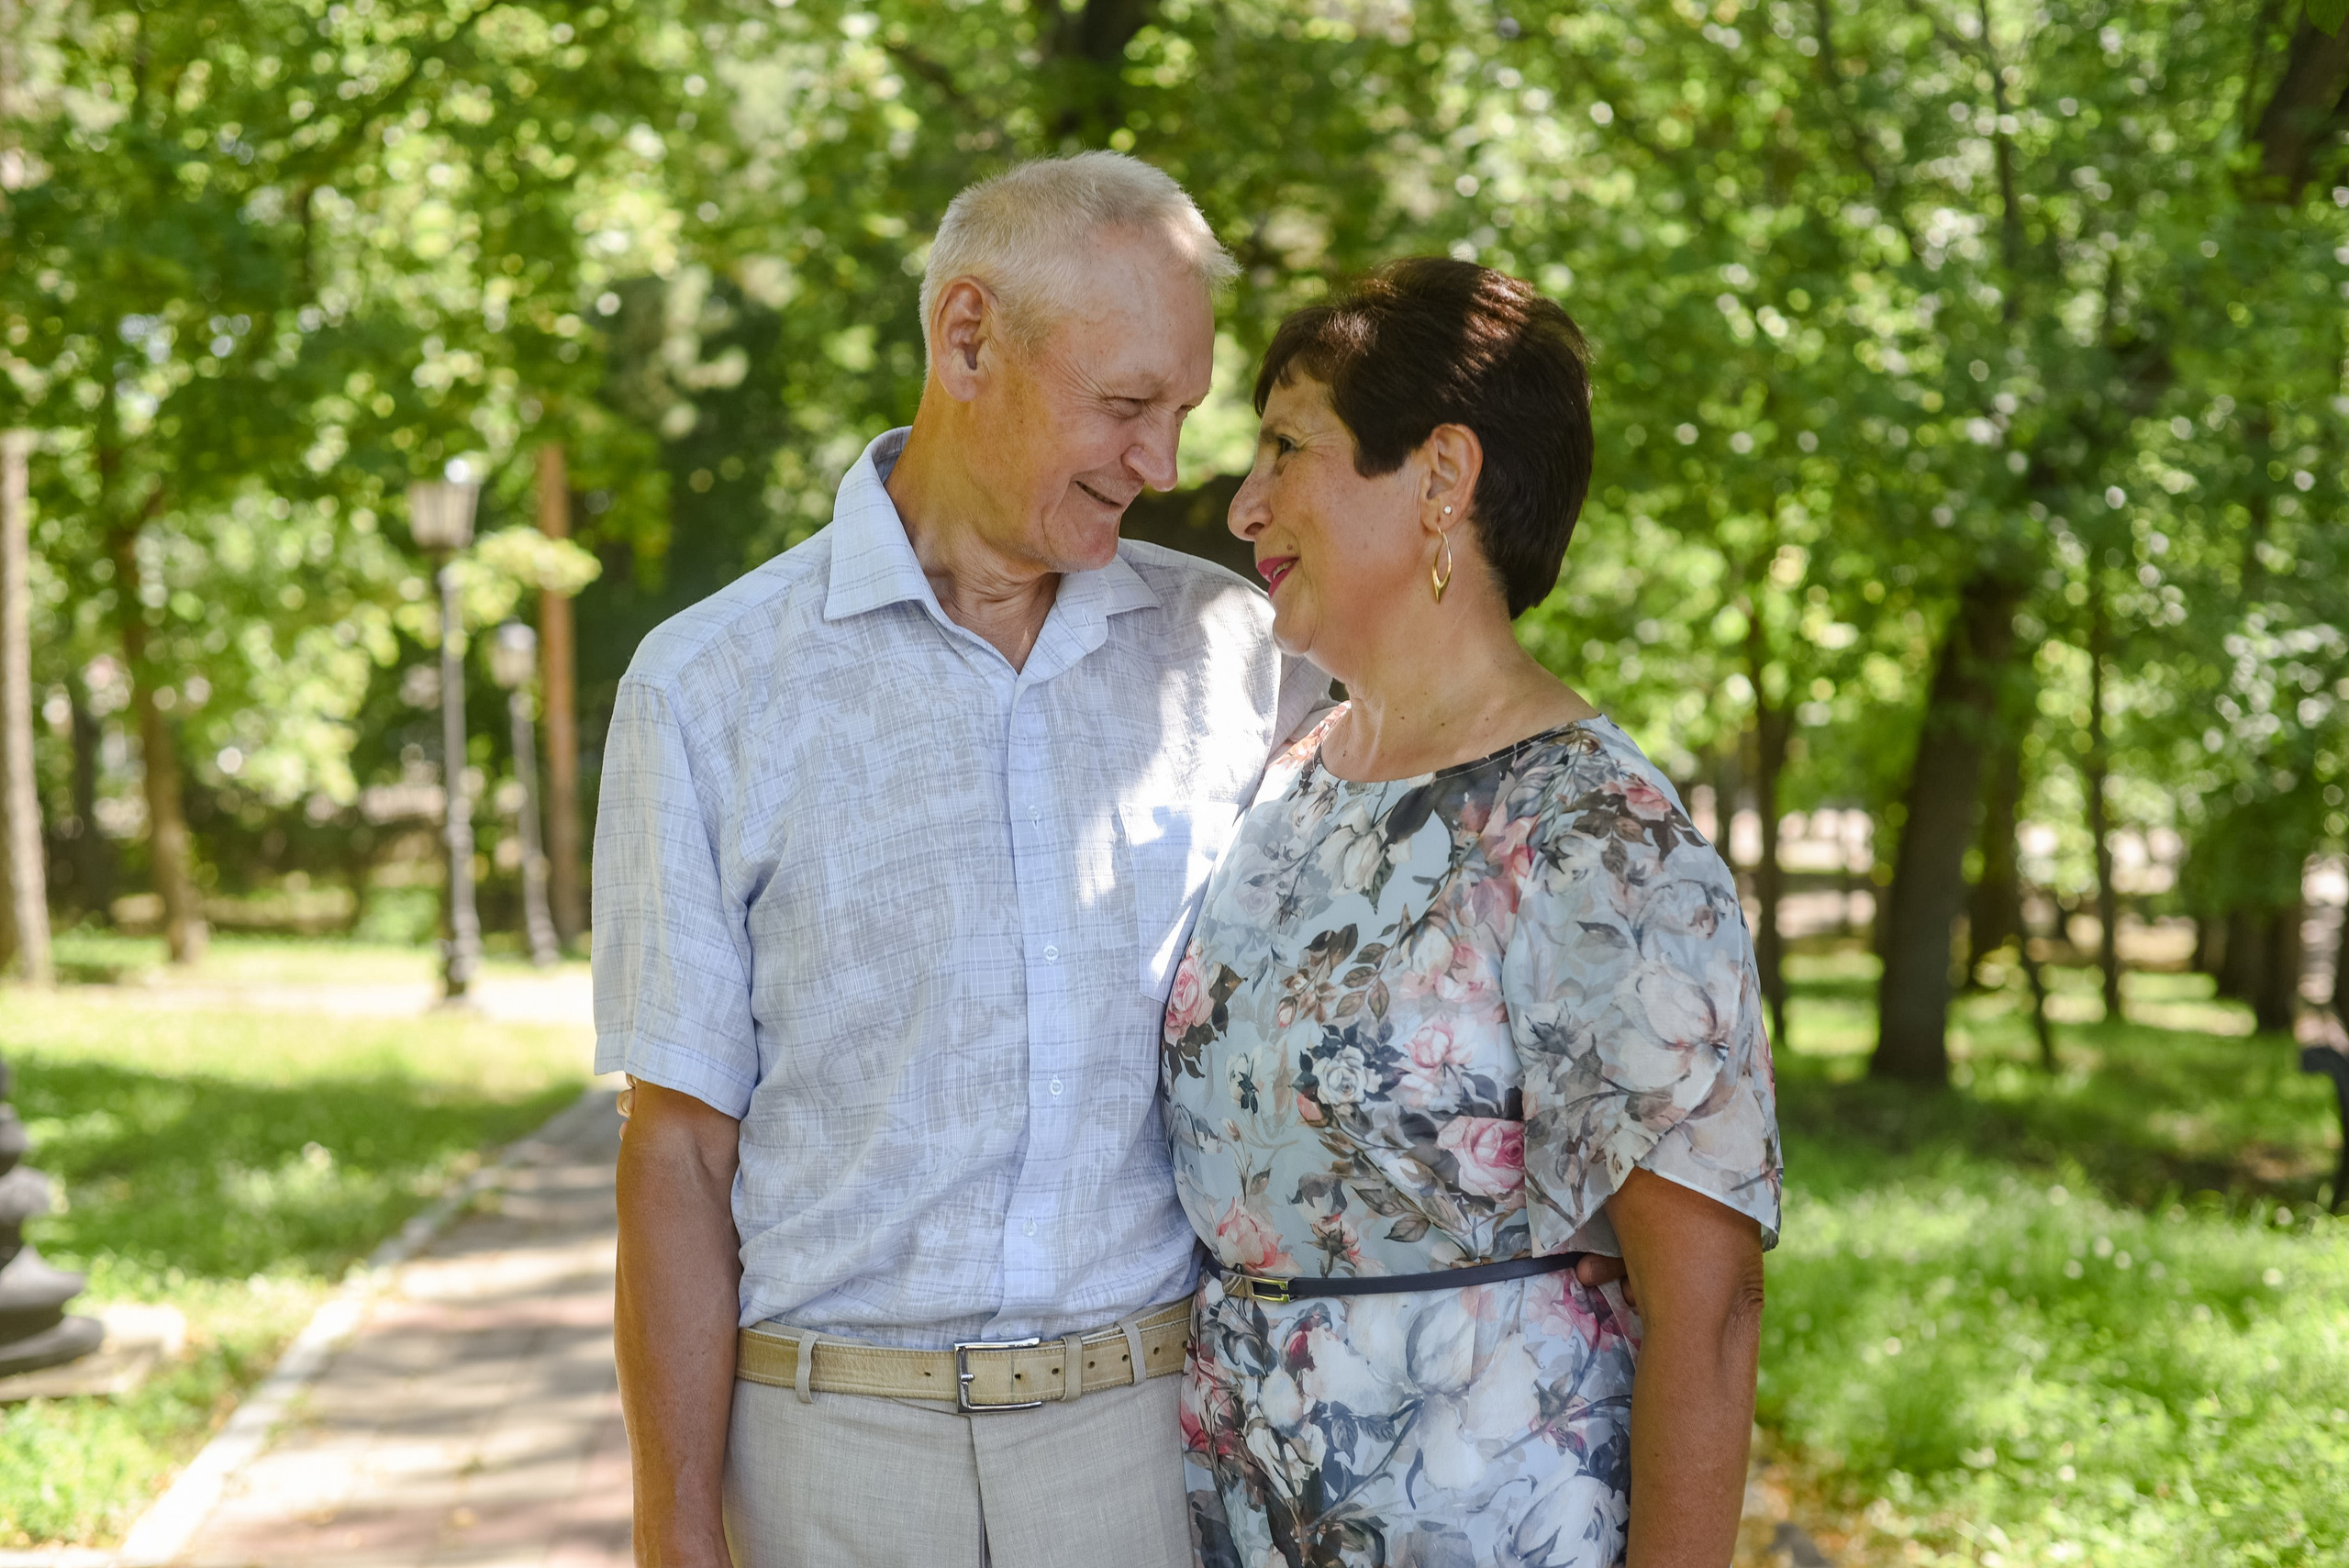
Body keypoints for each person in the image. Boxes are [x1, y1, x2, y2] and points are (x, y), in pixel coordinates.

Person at [591, 152, 1332, 1568]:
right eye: (1125, 406)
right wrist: (674, 1533)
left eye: (1181, 414)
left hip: (1142, 1445)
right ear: (968, 336)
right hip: (826, 1455)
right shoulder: (706, 686)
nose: (1163, 466)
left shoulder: (1236, 658)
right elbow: (678, 1150)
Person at [1163, 258, 1782, 1568]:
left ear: (1441, 476)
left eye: (1287, 447)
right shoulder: (1288, 783)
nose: (1242, 502)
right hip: (1236, 1520)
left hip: (1490, 1523)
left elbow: (1708, 1307)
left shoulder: (1596, 834)